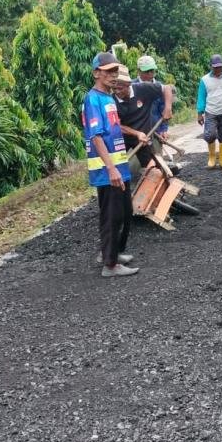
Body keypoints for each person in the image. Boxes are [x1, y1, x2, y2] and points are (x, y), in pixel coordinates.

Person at [82, 52, 139, 278]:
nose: (114, 76)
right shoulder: (93, 99)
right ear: (96, 73)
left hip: (119, 167)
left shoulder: (108, 98)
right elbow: (95, 136)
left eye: (116, 71)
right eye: (108, 71)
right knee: (112, 216)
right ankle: (110, 264)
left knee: (125, 212)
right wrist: (111, 168)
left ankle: (113, 252)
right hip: (107, 171)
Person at [112, 65, 161, 174]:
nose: (117, 92)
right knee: (116, 166)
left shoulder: (143, 88)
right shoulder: (111, 101)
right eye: (114, 88)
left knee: (152, 167)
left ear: (128, 85)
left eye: (120, 88)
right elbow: (115, 125)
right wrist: (136, 133)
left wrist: (167, 109)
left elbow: (167, 89)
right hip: (123, 137)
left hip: (143, 138)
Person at [134, 54, 175, 140]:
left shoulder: (160, 88)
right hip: (137, 134)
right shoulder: (131, 87)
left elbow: (163, 110)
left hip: (156, 132)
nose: (150, 74)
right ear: (139, 71)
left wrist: (164, 130)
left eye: (152, 71)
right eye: (146, 71)